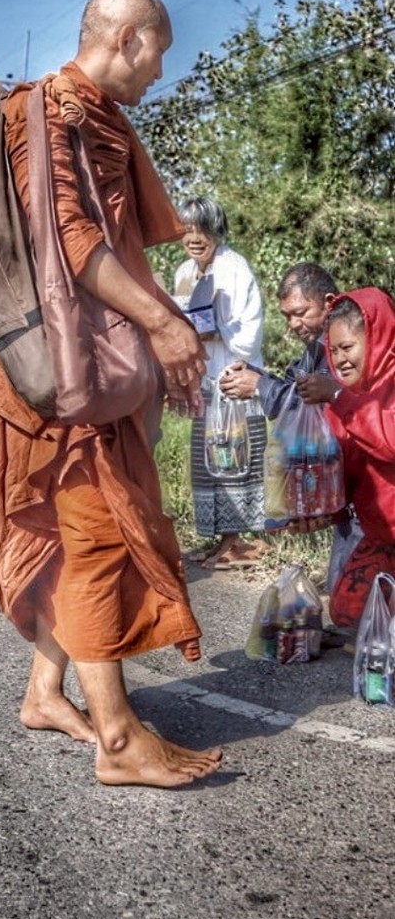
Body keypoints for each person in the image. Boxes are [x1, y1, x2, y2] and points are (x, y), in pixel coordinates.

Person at [0, 0, 221, 788]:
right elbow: (70, 239)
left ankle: (45, 692)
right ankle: (117, 740)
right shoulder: (46, 112)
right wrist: (160, 324)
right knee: (96, 540)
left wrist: (160, 349)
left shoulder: (97, 117)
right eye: (158, 55)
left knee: (79, 537)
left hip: (94, 372)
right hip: (60, 380)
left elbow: (117, 244)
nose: (158, 75)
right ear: (127, 39)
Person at [174, 197, 265, 570]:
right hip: (206, 383)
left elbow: (249, 338)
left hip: (234, 382)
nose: (195, 238)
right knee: (210, 463)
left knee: (234, 459)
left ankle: (237, 541)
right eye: (187, 230)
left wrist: (212, 328)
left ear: (217, 230)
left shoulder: (235, 269)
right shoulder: (184, 272)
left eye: (203, 230)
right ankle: (219, 540)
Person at [296, 288, 395, 628]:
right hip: (383, 536)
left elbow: (388, 443)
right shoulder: (348, 400)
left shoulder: (350, 398)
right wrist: (317, 512)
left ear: (378, 339)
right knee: (346, 612)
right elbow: (344, 476)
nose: (340, 360)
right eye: (333, 350)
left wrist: (338, 396)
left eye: (348, 348)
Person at [220, 262, 336, 417]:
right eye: (287, 316)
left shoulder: (345, 344)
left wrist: (259, 385)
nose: (293, 324)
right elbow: (295, 388)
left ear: (329, 303)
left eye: (301, 312)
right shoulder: (317, 345)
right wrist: (255, 375)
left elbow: (318, 403)